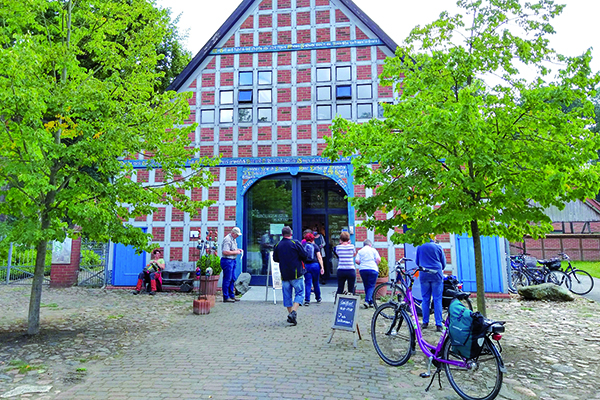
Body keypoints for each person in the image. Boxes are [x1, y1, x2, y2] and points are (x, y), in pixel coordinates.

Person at [273, 226, 308, 326]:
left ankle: (291, 315)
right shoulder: (295, 243)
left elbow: (275, 259)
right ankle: (293, 313)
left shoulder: (278, 245)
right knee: (300, 293)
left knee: (287, 296)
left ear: (282, 234)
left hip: (284, 274)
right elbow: (304, 255)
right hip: (296, 274)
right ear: (291, 234)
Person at [416, 235, 446, 332]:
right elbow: (443, 263)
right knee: (437, 299)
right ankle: (438, 324)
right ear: (433, 237)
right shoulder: (438, 247)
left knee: (425, 299)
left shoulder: (420, 246)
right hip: (436, 274)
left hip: (424, 274)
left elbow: (417, 262)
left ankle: (425, 322)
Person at [355, 239, 381, 308]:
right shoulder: (373, 250)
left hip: (363, 269)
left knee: (366, 285)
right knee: (371, 286)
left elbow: (356, 260)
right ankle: (367, 301)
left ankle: (371, 302)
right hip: (373, 269)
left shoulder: (360, 251)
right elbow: (378, 259)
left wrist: (362, 263)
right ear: (370, 244)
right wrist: (375, 264)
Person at [221, 227, 243, 303]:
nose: (237, 236)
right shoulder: (227, 239)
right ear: (233, 233)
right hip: (227, 261)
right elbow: (225, 251)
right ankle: (226, 296)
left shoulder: (233, 239)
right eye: (237, 234)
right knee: (227, 279)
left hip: (232, 260)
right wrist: (236, 252)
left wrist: (237, 250)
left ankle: (231, 295)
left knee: (232, 278)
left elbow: (231, 250)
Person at [302, 233, 324, 306]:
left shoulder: (303, 246)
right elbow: (319, 257)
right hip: (315, 265)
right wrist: (322, 267)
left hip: (306, 266)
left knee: (308, 283)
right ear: (312, 239)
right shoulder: (315, 246)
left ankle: (307, 300)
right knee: (316, 282)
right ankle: (318, 298)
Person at [334, 231, 356, 296]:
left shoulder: (338, 247)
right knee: (351, 289)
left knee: (340, 288)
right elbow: (354, 254)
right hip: (350, 269)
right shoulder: (352, 247)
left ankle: (337, 301)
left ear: (340, 239)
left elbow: (338, 254)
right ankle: (351, 301)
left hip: (341, 269)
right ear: (348, 239)